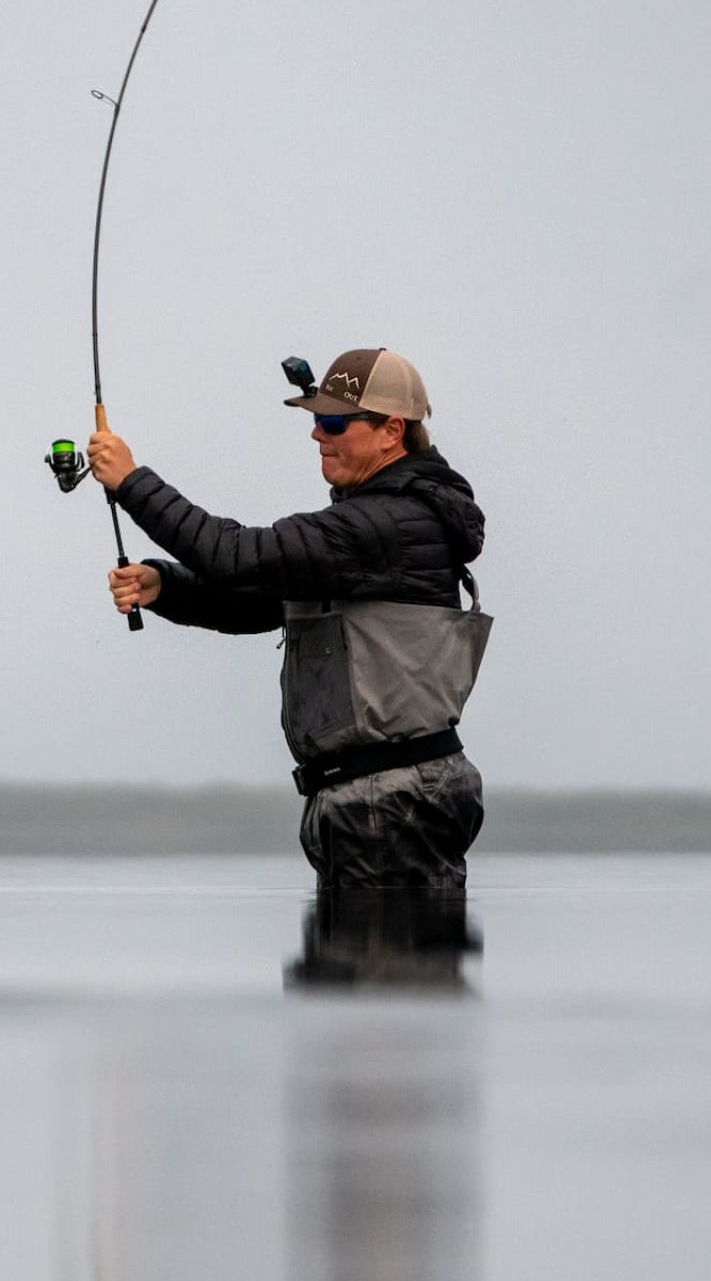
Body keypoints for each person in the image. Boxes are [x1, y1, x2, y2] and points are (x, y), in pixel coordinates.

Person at [85, 347, 491, 894]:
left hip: (390, 799)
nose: (317, 436)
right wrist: (168, 586)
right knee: (381, 973)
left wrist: (132, 482)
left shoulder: (386, 523)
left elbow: (239, 556)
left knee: (387, 974)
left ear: (392, 431)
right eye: (315, 420)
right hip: (377, 797)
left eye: (332, 422)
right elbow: (258, 600)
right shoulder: (377, 524)